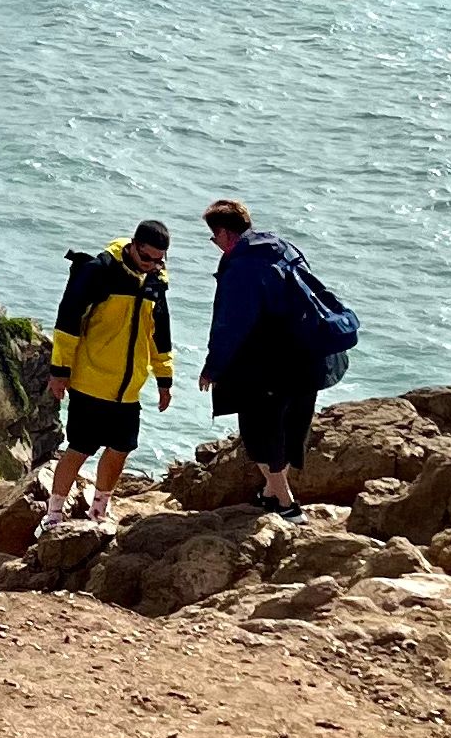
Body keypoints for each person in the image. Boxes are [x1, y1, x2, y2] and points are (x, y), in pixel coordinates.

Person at [197, 196, 353, 513]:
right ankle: (271, 493)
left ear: (225, 234)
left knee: (258, 433)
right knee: (290, 428)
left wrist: (212, 368)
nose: (215, 244)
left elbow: (231, 325)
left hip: (273, 363)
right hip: (308, 356)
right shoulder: (282, 247)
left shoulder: (242, 266)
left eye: (214, 238)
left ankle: (286, 505)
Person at [38, 219, 175, 533]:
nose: (152, 265)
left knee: (121, 448)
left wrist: (164, 379)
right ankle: (54, 512)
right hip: (91, 381)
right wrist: (60, 372)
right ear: (132, 246)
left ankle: (99, 509)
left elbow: (160, 333)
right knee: (80, 447)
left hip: (128, 389)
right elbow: (68, 322)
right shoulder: (99, 271)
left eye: (159, 260)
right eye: (147, 258)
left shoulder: (156, 282)